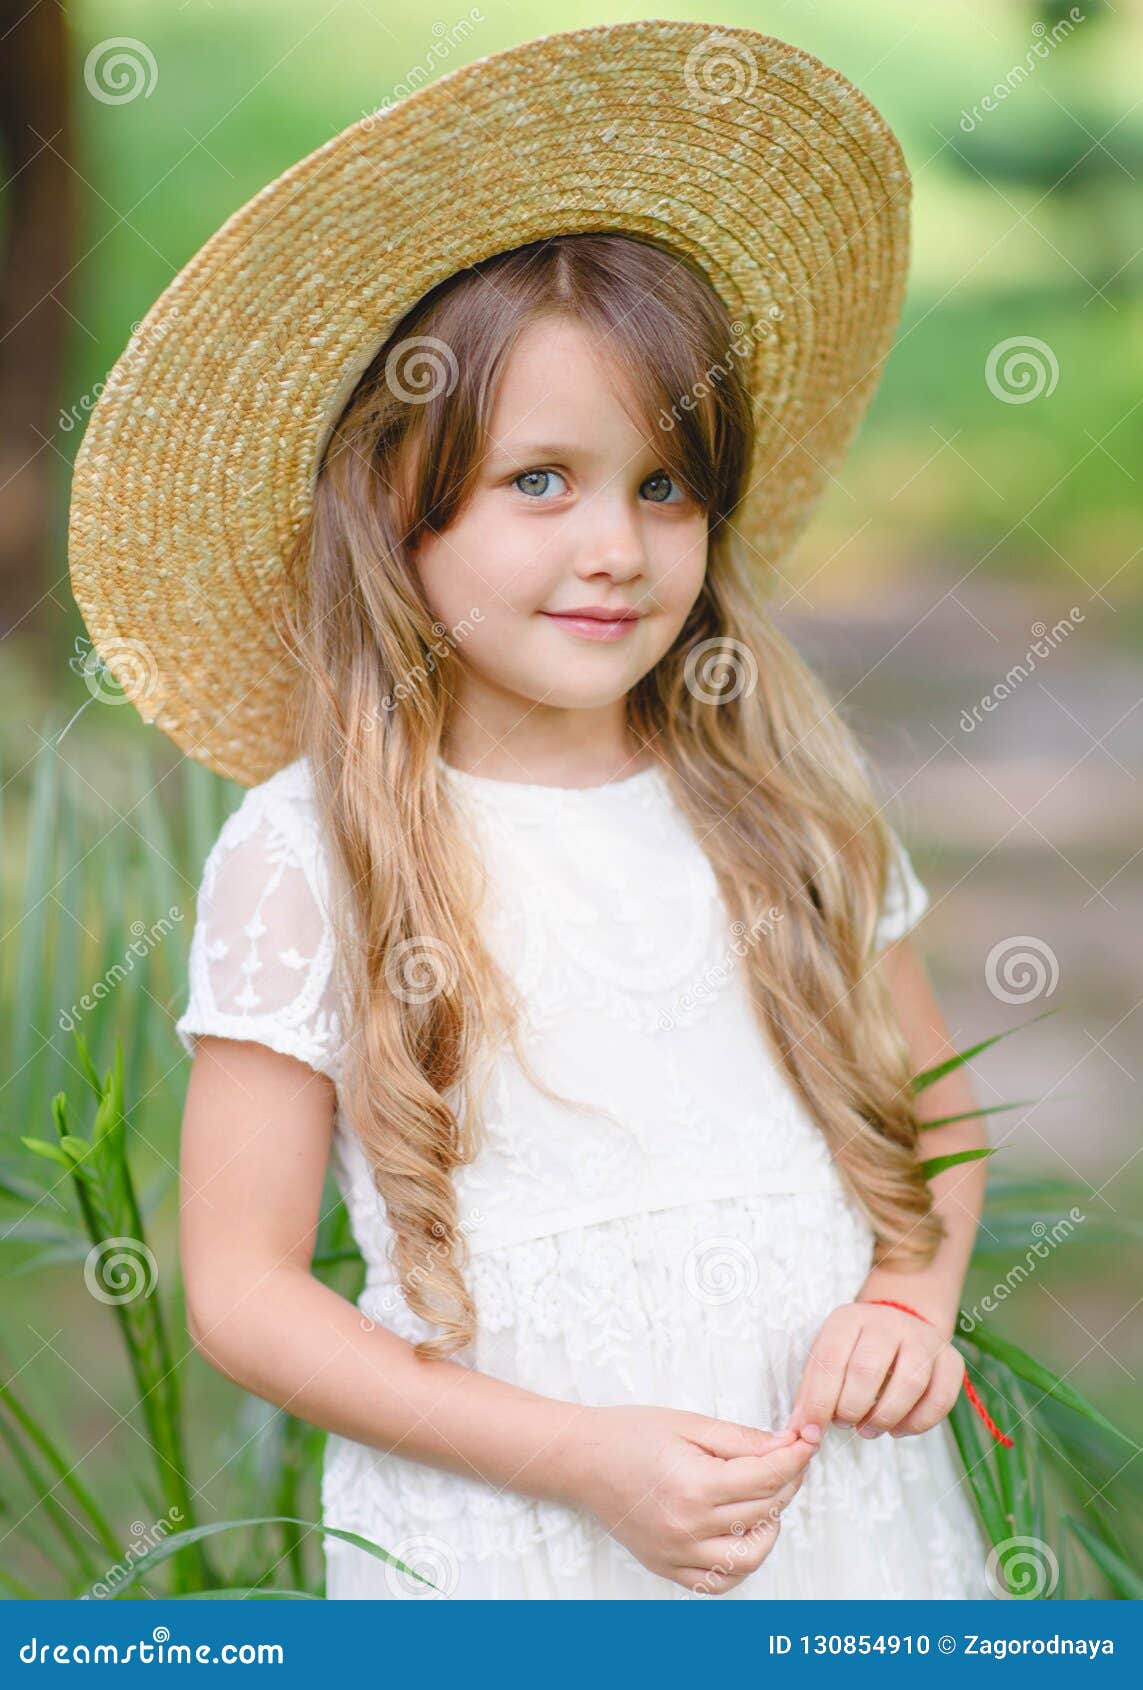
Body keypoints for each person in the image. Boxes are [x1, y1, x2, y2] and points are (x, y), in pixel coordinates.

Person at [68, 21, 995, 1599]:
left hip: (836, 1514)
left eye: (663, 485)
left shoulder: (780, 790)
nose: (618, 549)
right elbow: (238, 1285)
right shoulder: (314, 853)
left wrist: (913, 1295)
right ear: (394, 513)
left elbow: (931, 1114)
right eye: (541, 480)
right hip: (516, 1535)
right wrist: (577, 1456)